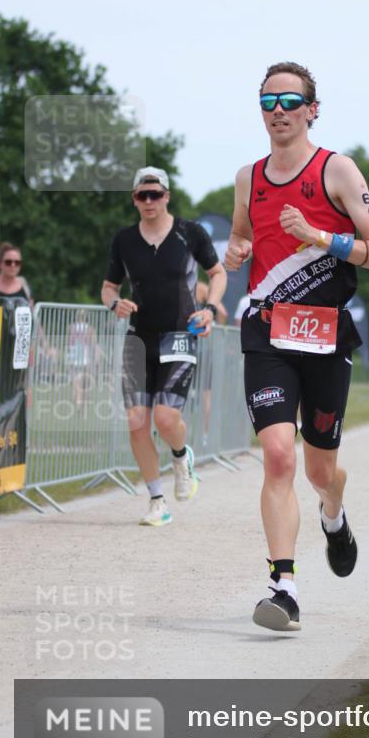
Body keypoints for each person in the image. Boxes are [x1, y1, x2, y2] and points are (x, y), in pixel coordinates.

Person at [225, 61, 369, 632]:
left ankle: (334, 514)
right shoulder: (248, 177)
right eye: (267, 102)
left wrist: (320, 237)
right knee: (278, 454)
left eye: (289, 102)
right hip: (267, 331)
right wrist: (236, 252)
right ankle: (284, 588)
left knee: (323, 471)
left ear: (312, 109)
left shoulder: (337, 170)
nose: (278, 113)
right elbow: (244, 232)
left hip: (324, 335)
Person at [101, 166, 227, 525]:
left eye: (155, 194)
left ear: (167, 196)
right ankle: (157, 499)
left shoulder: (190, 233)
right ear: (134, 200)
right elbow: (109, 286)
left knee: (166, 416)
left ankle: (181, 455)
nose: (149, 201)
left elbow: (217, 273)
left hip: (180, 334)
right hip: (139, 338)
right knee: (136, 421)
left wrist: (210, 309)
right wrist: (114, 303)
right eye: (143, 195)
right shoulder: (124, 240)